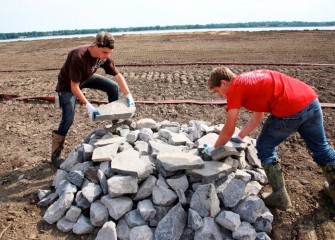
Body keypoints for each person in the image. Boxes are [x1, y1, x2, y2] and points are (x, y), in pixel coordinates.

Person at [204, 66, 335, 210]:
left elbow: (228, 128)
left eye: (217, 91)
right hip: (310, 101)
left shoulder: (235, 89)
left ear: (223, 83)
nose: (220, 96)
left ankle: (280, 197)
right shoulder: (249, 82)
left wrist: (214, 148)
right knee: (321, 147)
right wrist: (240, 136)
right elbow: (257, 117)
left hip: (290, 109)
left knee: (264, 147)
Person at [51, 31, 135, 168]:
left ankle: (115, 125)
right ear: (96, 45)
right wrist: (88, 105)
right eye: (105, 52)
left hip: (86, 78)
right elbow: (74, 86)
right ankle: (55, 156)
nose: (107, 56)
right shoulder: (78, 56)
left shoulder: (104, 56)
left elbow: (117, 75)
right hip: (67, 86)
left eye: (109, 53)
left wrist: (128, 95)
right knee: (68, 118)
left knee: (113, 87)